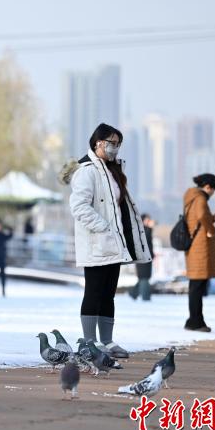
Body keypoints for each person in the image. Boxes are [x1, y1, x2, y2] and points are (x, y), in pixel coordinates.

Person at [60, 123, 152, 359]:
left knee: (108, 294)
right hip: (97, 243)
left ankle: (107, 341)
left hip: (113, 243)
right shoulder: (87, 171)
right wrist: (104, 227)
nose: (115, 148)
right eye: (112, 143)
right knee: (93, 292)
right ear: (98, 143)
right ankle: (89, 342)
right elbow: (79, 207)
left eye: (118, 144)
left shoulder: (112, 170)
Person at [183, 173, 215, 332]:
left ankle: (193, 320)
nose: (213, 193)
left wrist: (212, 218)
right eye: (213, 189)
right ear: (208, 187)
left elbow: (198, 218)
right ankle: (196, 322)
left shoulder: (192, 196)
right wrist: (211, 229)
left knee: (195, 286)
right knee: (197, 287)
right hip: (200, 248)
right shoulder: (200, 198)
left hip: (194, 247)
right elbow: (201, 216)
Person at [129, 214, 155, 301]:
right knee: (144, 277)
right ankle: (145, 297)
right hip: (142, 257)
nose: (149, 222)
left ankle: (133, 293)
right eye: (147, 220)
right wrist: (150, 228)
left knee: (144, 277)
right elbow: (145, 239)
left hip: (146, 257)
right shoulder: (140, 229)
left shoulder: (145, 229)